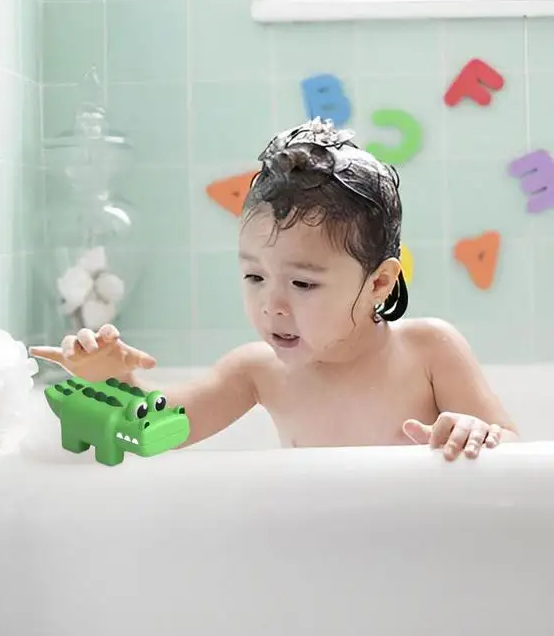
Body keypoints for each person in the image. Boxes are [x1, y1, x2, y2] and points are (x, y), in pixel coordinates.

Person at [31, 118, 517, 461]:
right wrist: (114, 381)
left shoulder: (429, 351)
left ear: (379, 283)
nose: (272, 305)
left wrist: (476, 433)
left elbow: (522, 457)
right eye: (255, 277)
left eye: (303, 283)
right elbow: (159, 428)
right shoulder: (257, 371)